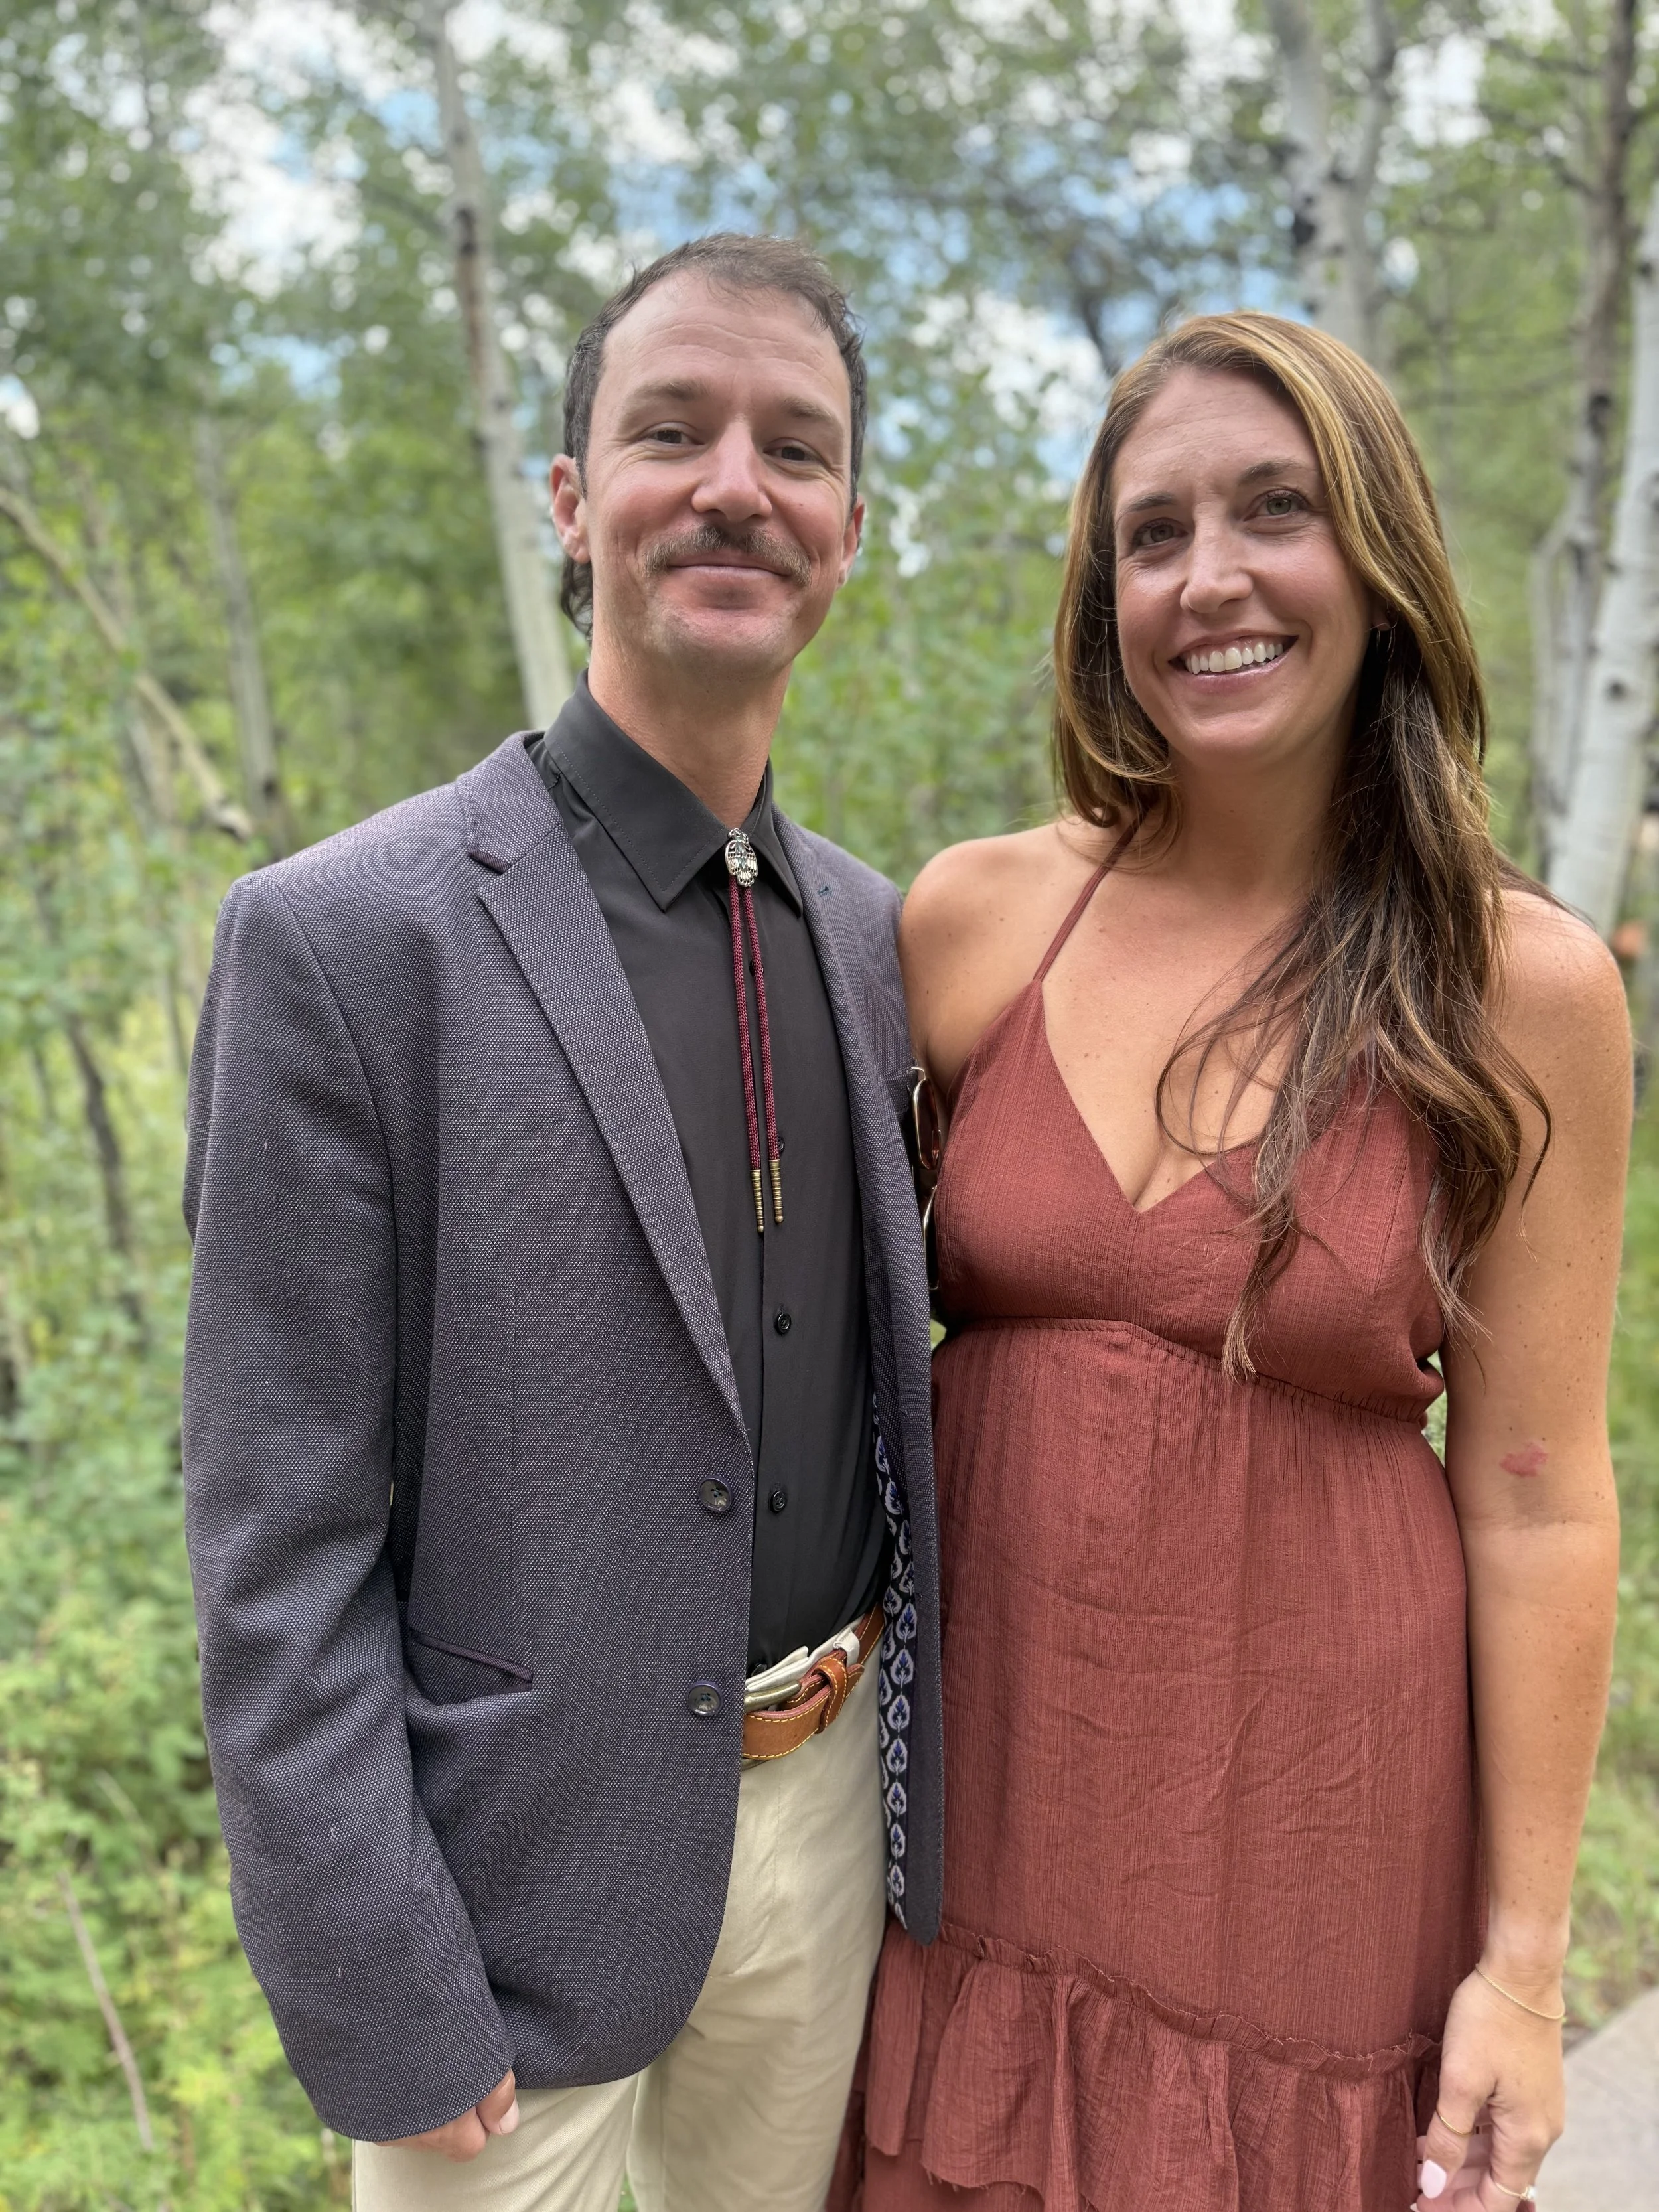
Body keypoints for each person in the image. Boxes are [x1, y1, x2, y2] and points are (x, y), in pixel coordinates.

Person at [180, 234, 941, 2212]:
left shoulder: (881, 940)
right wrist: (383, 1978)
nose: (735, 486)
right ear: (571, 500)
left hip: (826, 1856)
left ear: (851, 528)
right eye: (671, 430)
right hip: (501, 1913)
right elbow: (275, 1541)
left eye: (797, 448)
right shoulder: (345, 931)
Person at [840, 313, 1626, 2212]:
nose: (1209, 579)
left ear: (1379, 555)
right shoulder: (972, 922)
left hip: (1316, 1854)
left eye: (1276, 510)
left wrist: (1523, 1973)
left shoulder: (1515, 984)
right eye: (1154, 532)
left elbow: (1538, 1493)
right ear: (1100, 595)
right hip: (984, 1824)